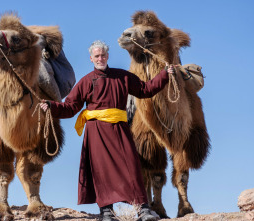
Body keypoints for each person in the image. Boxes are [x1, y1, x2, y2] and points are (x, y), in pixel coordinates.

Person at [40, 40, 174, 221]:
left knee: (132, 166)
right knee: (100, 171)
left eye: (103, 55)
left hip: (120, 129)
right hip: (96, 133)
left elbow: (146, 89)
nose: (100, 58)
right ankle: (106, 212)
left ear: (107, 56)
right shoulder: (86, 81)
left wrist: (164, 75)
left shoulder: (123, 77)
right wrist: (51, 106)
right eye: (96, 56)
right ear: (91, 58)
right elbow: (70, 107)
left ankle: (143, 209)